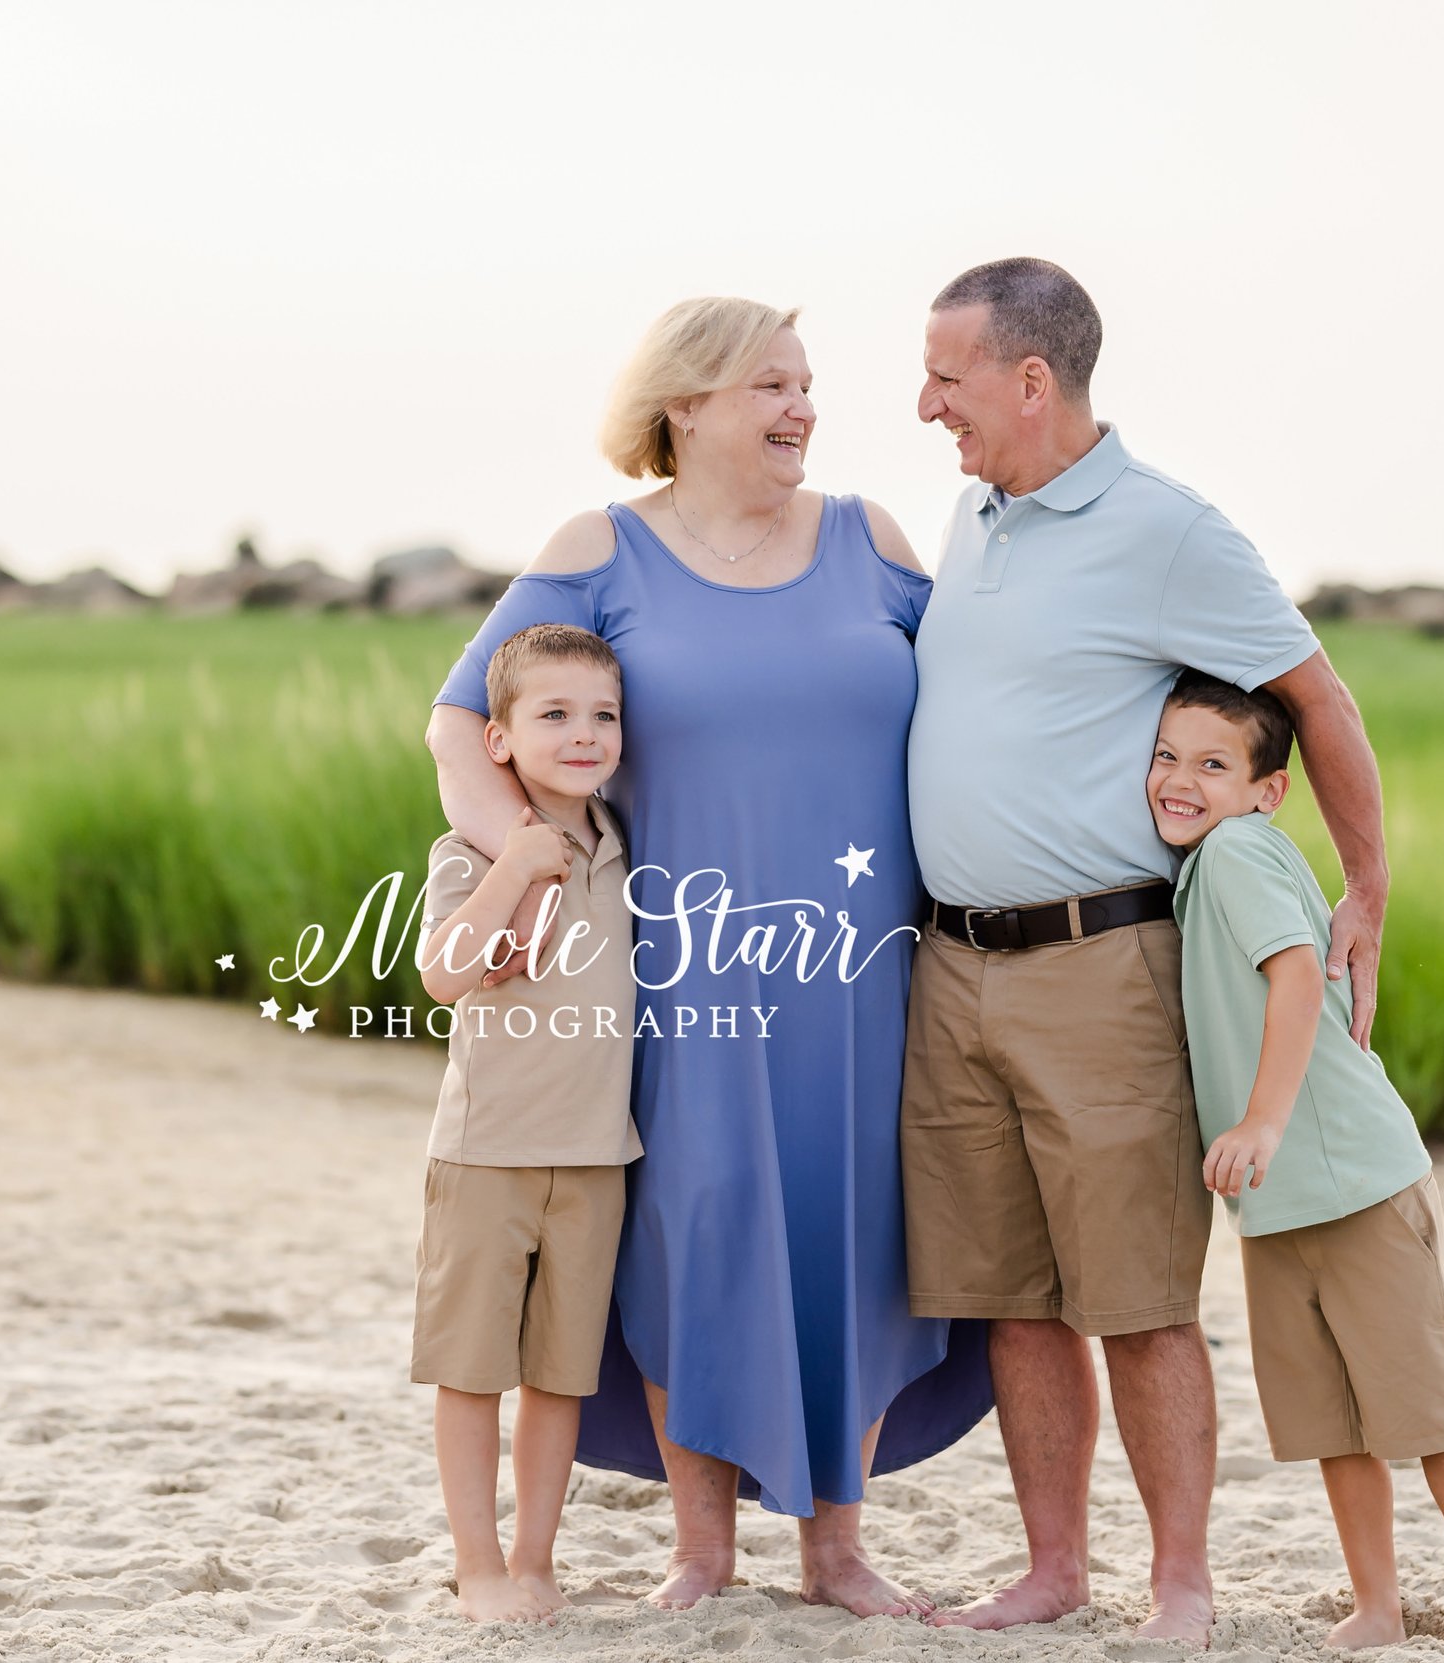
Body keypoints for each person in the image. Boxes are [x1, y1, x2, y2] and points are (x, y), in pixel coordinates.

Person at [425, 297, 992, 1618]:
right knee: (698, 1229)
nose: (803, 409)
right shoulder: (599, 548)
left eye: (807, 387)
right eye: (772, 387)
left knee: (856, 1226)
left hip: (867, 965)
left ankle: (839, 1547)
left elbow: (989, 700)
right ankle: (702, 1548)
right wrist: (528, 864)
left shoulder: (872, 541)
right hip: (682, 971)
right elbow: (462, 721)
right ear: (685, 404)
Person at [900, 257, 1394, 1641]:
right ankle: (1056, 1566)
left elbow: (1316, 691)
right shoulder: (972, 512)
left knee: (1136, 1294)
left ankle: (1181, 1580)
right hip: (952, 967)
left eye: (948, 375)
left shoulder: (1168, 529)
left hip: (1100, 969)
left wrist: (1365, 885)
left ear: (1031, 379)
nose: (926, 400)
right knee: (1011, 1293)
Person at [1150, 670, 1444, 1663]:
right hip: (1278, 1202)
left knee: (1429, 1410)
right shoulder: (1204, 860)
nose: (1180, 779)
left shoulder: (1237, 850)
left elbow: (1298, 976)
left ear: (1267, 790)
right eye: (1166, 756)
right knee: (1334, 1418)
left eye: (1212, 763)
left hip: (1351, 1178)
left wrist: (1260, 1121)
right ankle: (1377, 1605)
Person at [411, 623, 639, 1622]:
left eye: (603, 715)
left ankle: (535, 1557)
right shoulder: (468, 848)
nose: (583, 733)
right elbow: (439, 973)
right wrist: (515, 864)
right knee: (472, 1370)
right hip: (487, 1153)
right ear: (497, 739)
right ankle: (478, 1562)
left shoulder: (627, 842)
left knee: (558, 1377)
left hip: (596, 1157)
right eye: (553, 714)